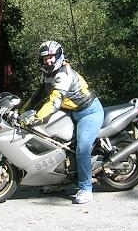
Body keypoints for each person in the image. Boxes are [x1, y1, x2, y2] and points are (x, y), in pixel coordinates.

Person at [20, 40, 104, 204]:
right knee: (53, 141)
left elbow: (54, 102)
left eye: (51, 57)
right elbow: (38, 94)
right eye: (44, 59)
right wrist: (22, 111)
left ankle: (86, 188)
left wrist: (36, 118)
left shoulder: (64, 74)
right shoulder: (47, 73)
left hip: (89, 112)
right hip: (70, 112)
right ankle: (58, 181)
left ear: (58, 55)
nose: (48, 61)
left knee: (82, 148)